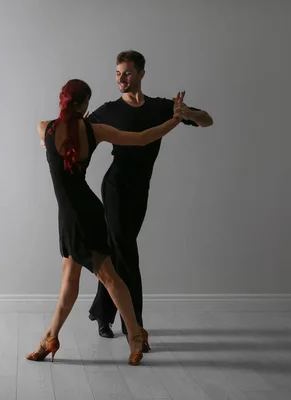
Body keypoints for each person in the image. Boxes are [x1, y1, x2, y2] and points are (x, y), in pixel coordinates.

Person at [26, 78, 187, 366]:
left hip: (81, 219)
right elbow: (141, 138)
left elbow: (45, 141)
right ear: (85, 103)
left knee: (109, 278)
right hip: (76, 216)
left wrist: (47, 143)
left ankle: (136, 335)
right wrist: (173, 121)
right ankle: (50, 337)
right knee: (69, 284)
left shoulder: (45, 128)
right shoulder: (94, 131)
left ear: (62, 100)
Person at [86, 50, 214, 351]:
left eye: (128, 73)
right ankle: (137, 329)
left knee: (118, 252)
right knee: (128, 255)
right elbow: (79, 131)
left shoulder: (161, 108)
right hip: (115, 187)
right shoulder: (109, 110)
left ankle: (101, 312)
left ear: (141, 74)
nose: (121, 78)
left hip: (140, 190)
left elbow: (207, 120)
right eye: (118, 73)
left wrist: (188, 115)